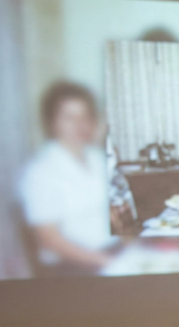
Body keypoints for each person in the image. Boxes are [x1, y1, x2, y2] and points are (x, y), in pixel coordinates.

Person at [20, 81, 118, 275]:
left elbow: (107, 211)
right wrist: (107, 262)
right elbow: (50, 240)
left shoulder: (97, 158)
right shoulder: (41, 171)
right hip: (72, 266)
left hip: (110, 252)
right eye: (69, 118)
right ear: (52, 122)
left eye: (85, 117)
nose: (79, 125)